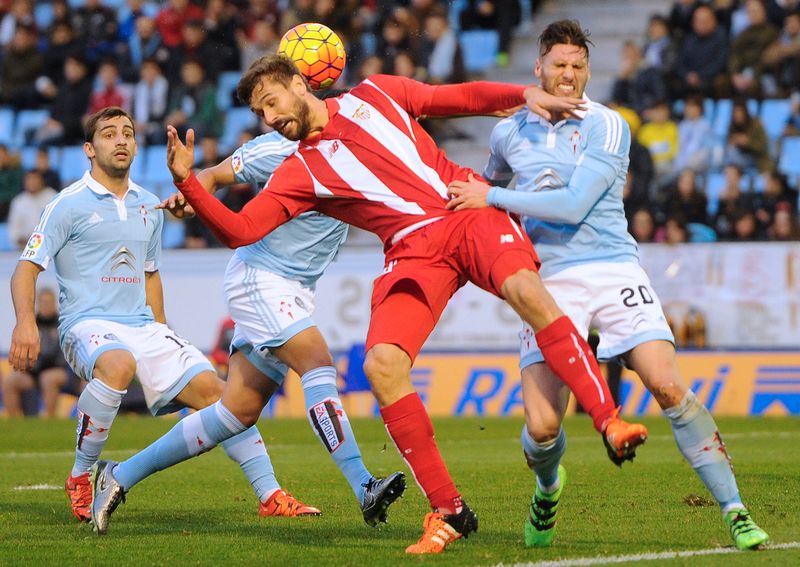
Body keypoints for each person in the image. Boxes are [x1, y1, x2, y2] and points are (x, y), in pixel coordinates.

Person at [91, 55, 649, 554]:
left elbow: (452, 97)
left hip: (465, 211)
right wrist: (191, 183)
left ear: (296, 82)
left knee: (528, 292)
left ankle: (609, 419)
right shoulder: (297, 169)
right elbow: (241, 229)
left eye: (271, 102)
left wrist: (520, 95)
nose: (269, 118)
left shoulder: (376, 93)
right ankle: (449, 511)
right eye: (260, 114)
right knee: (383, 365)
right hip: (410, 252)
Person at [445, 19, 769, 551]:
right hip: (546, 282)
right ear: (539, 68)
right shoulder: (507, 133)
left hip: (613, 268)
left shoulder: (608, 124)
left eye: (578, 66)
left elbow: (570, 206)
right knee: (544, 427)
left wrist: (495, 199)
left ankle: (735, 510)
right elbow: (489, 190)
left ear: (587, 70)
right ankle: (548, 489)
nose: (569, 75)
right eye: (559, 65)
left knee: (667, 386)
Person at [8, 107, 320, 529]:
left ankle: (270, 494)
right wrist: (25, 322)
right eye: (109, 134)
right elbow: (26, 269)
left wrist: (162, 328)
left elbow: (150, 274)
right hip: (87, 322)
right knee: (118, 365)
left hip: (142, 325)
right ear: (88, 149)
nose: (120, 140)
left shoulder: (147, 205)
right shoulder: (67, 204)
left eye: (128, 133)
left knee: (220, 395)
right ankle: (81, 476)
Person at [160, 122, 407, 527]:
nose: (271, 114)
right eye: (264, 106)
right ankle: (364, 485)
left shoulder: (352, 154)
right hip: (258, 277)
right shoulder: (275, 148)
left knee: (236, 411)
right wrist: (191, 190)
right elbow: (217, 174)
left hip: (293, 290)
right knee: (317, 362)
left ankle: (119, 476)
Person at [2, 287, 69, 417]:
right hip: (33, 371)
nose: (46, 306)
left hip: (58, 370)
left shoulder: (62, 324)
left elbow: (65, 355)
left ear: (54, 303)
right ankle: (16, 423)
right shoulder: (29, 325)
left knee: (48, 379)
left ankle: (49, 419)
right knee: (10, 381)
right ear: (38, 304)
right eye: (43, 302)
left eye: (49, 302)